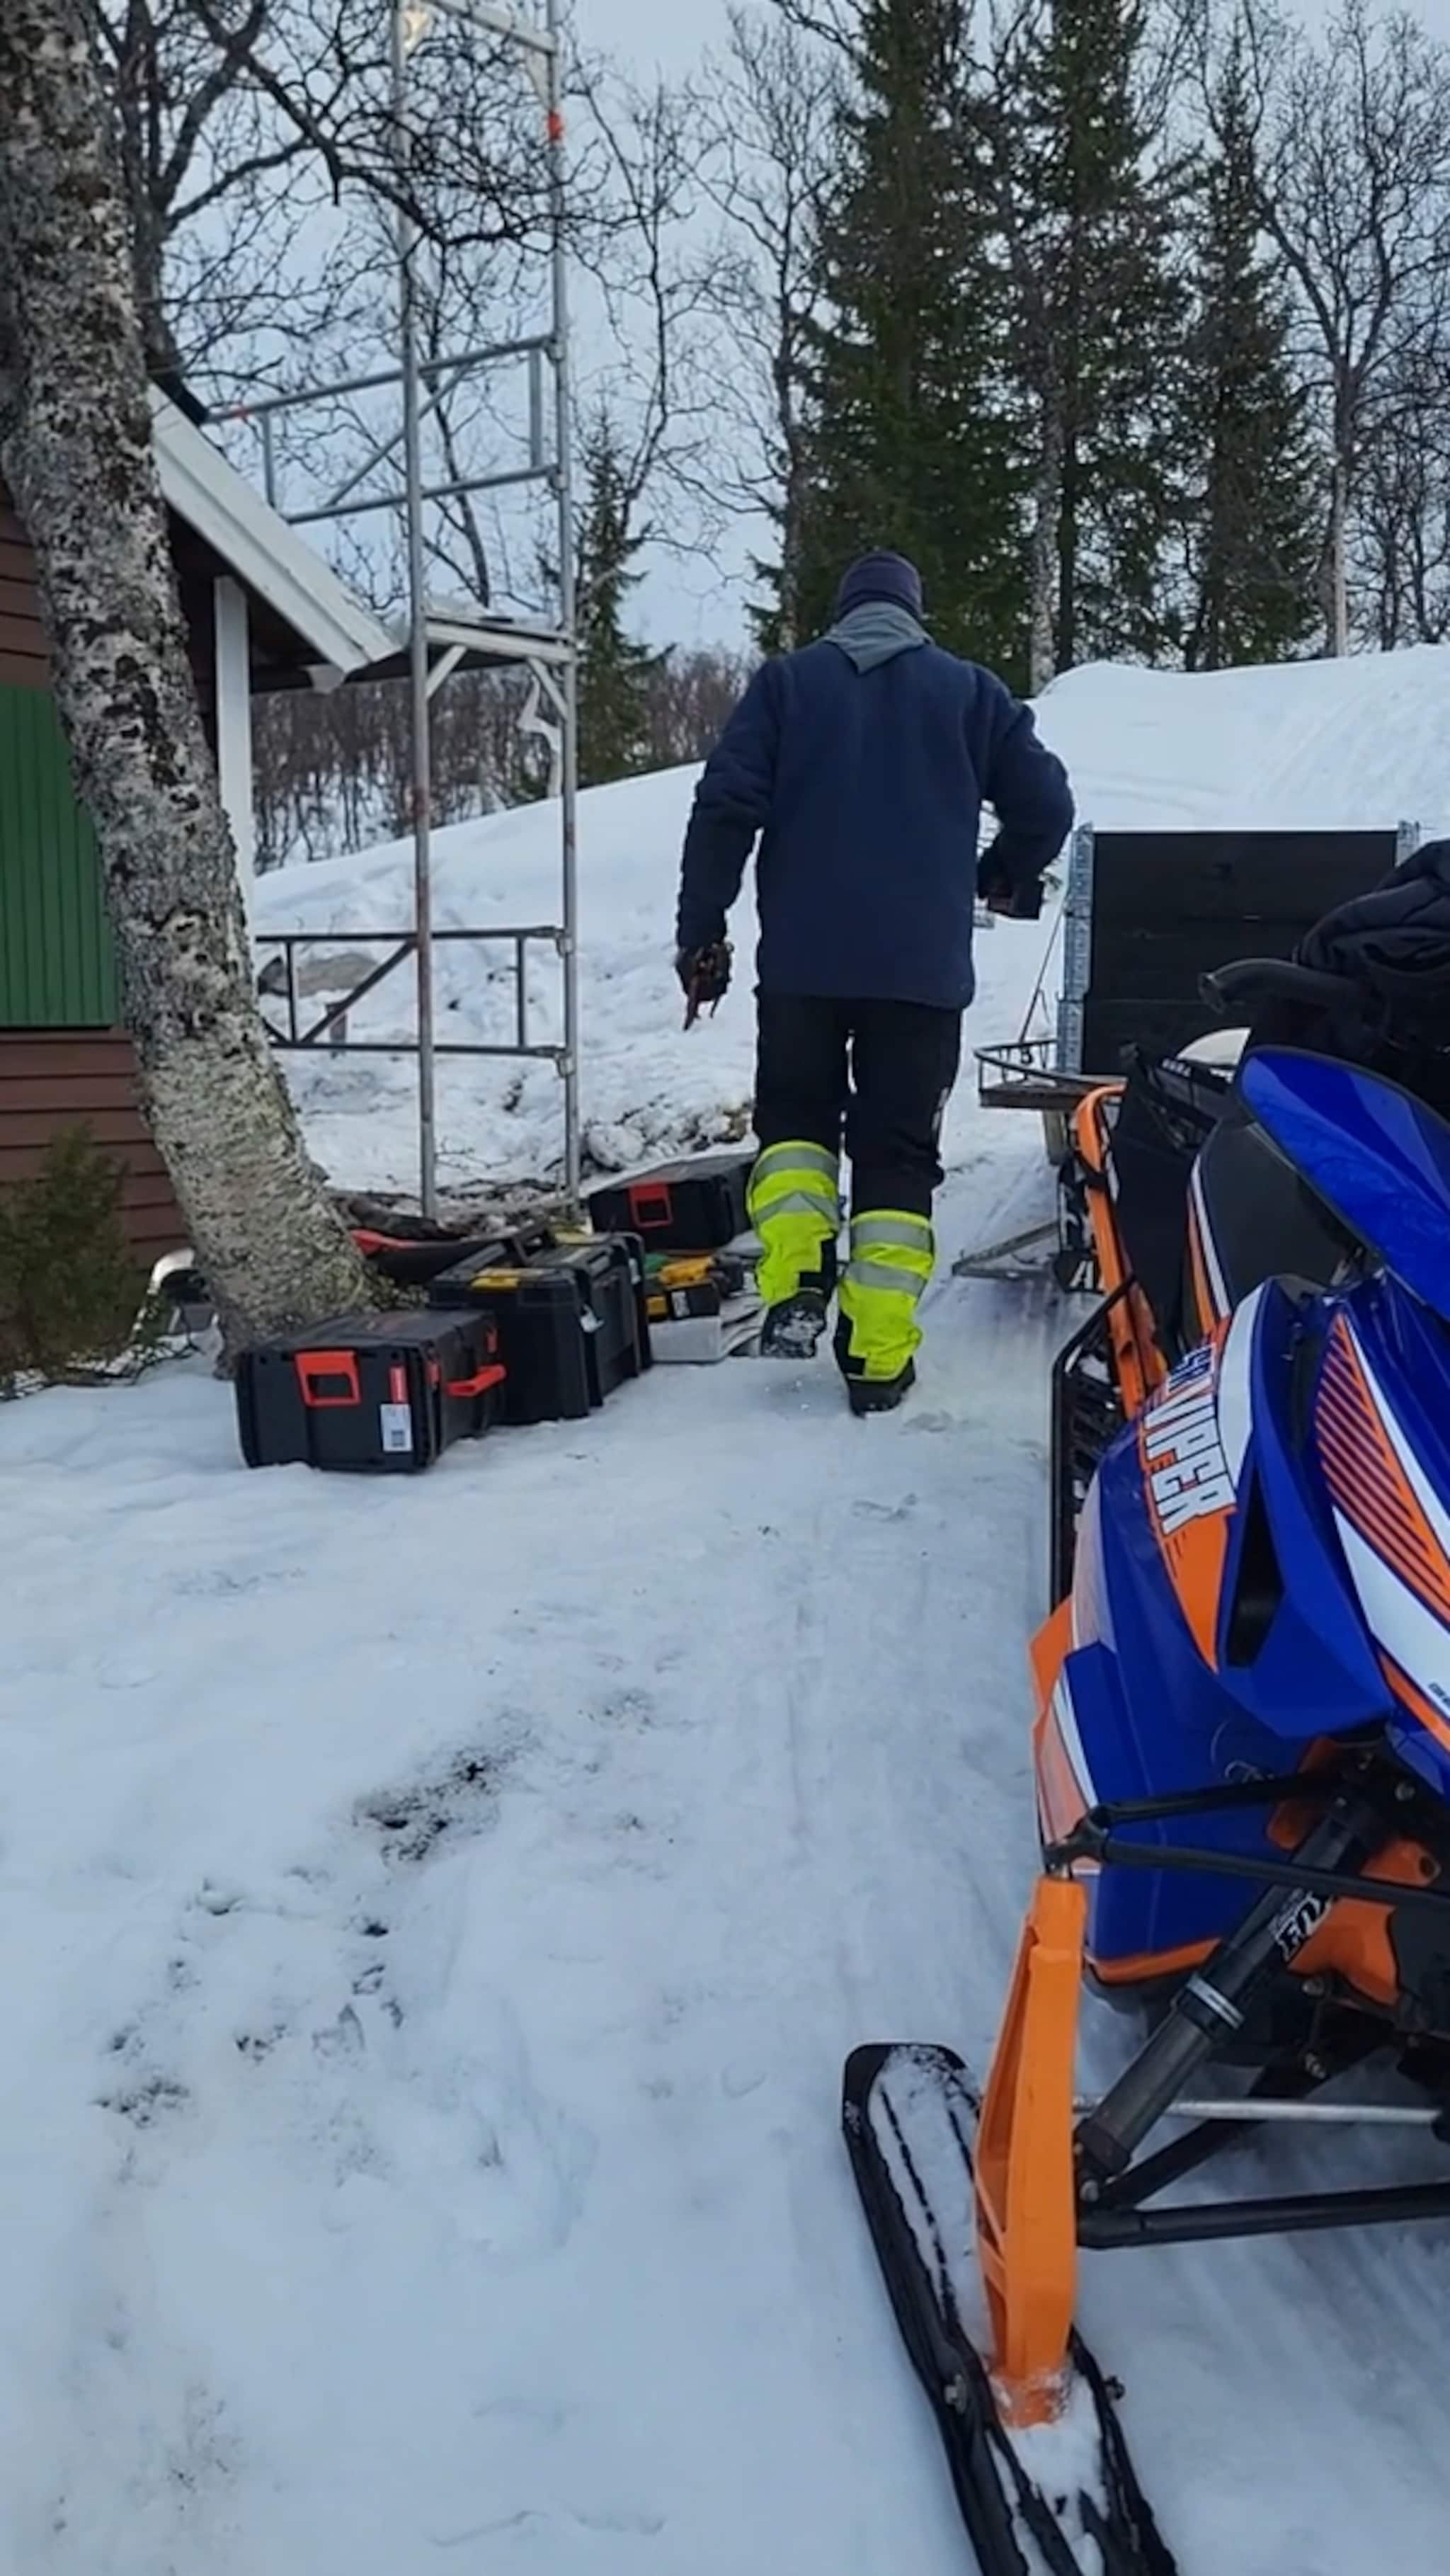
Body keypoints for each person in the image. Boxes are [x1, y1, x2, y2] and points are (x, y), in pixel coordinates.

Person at [674, 549, 1074, 1414]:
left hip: (802, 969)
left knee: (794, 1124)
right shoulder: (968, 693)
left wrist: (700, 928)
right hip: (919, 977)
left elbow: (723, 806)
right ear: (913, 615)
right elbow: (1046, 805)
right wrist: (996, 873)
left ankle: (797, 1279)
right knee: (896, 1154)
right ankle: (875, 1361)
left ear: (843, 613)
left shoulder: (787, 686)